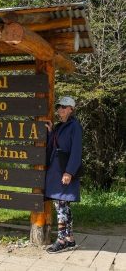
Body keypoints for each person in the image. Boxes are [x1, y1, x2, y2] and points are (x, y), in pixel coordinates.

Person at [45, 96, 82, 254]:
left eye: (64, 107)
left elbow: (76, 151)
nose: (60, 110)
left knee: (60, 205)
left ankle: (61, 240)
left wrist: (69, 172)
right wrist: (51, 131)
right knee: (64, 204)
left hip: (65, 172)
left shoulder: (75, 127)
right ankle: (70, 239)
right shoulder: (61, 126)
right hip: (56, 170)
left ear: (71, 110)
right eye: (59, 106)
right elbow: (54, 145)